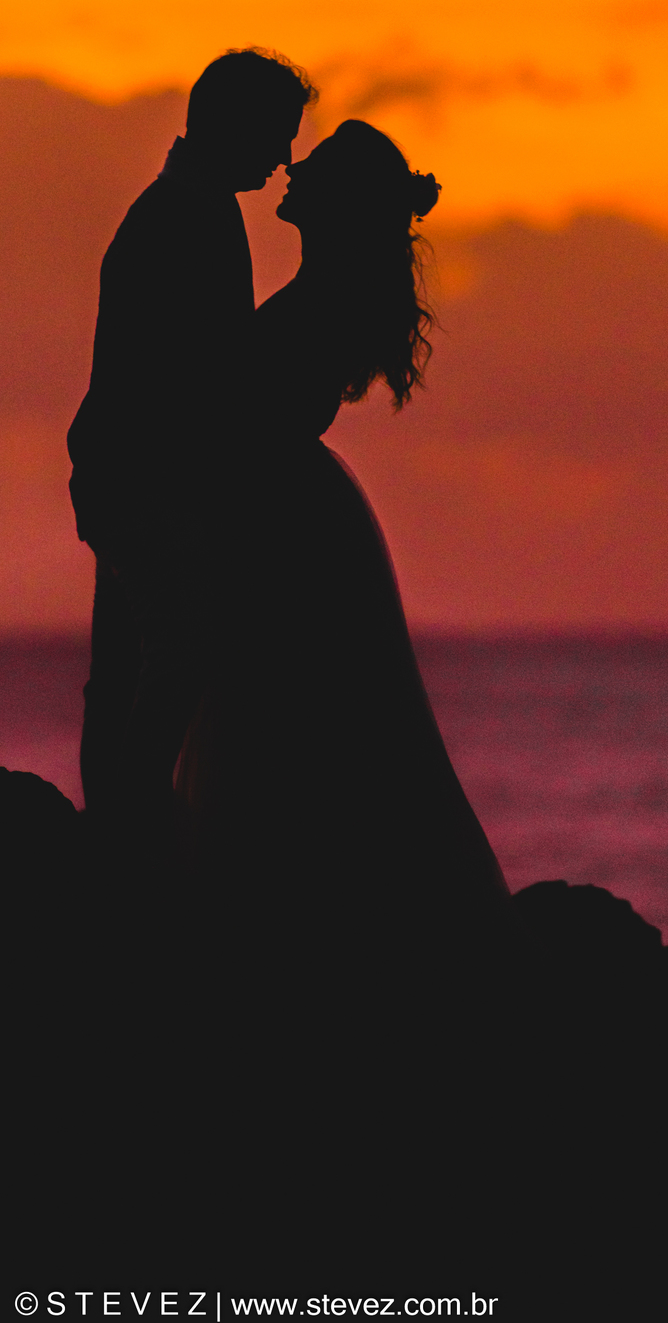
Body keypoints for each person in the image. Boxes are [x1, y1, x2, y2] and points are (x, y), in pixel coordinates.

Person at [176, 119, 509, 975]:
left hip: (291, 527)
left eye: (314, 164)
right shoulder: (322, 294)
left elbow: (243, 415)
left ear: (337, 201)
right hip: (293, 515)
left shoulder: (319, 303)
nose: (295, 163)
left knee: (309, 723)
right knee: (321, 724)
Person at [68, 46, 317, 834]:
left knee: (129, 661)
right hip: (150, 480)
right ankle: (130, 822)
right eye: (276, 135)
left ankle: (116, 822)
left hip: (130, 475)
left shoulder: (187, 206)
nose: (284, 157)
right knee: (173, 651)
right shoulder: (188, 214)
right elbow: (196, 371)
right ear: (233, 125)